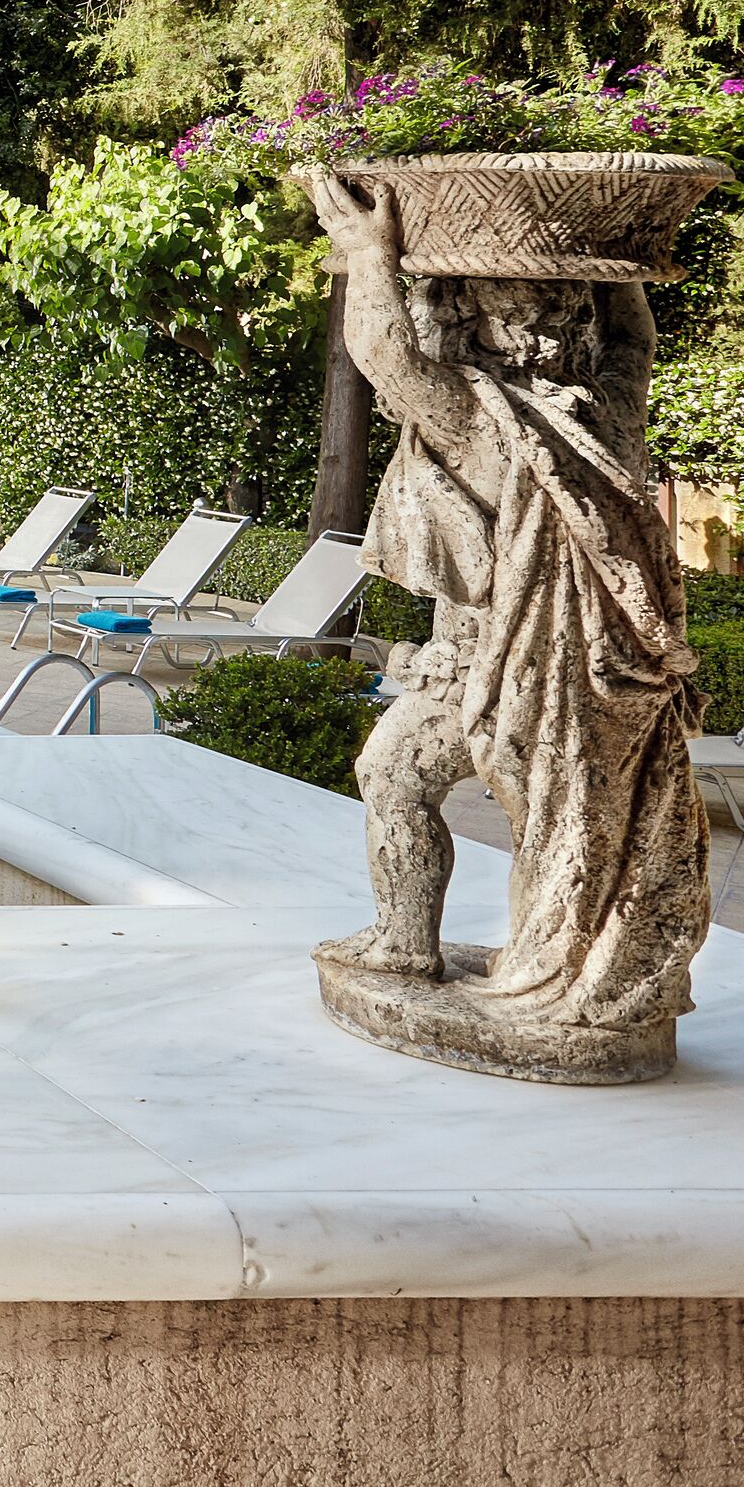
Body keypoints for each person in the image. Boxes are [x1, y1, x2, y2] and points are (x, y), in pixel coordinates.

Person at [307, 173, 705, 1056]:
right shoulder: (604, 413)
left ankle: (441, 952)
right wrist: (613, 261)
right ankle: (485, 953)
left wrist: (370, 253)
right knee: (556, 824)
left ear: (480, 335)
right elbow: (633, 338)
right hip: (575, 675)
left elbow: (382, 355)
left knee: (409, 778)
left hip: (509, 674)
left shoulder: (485, 422)